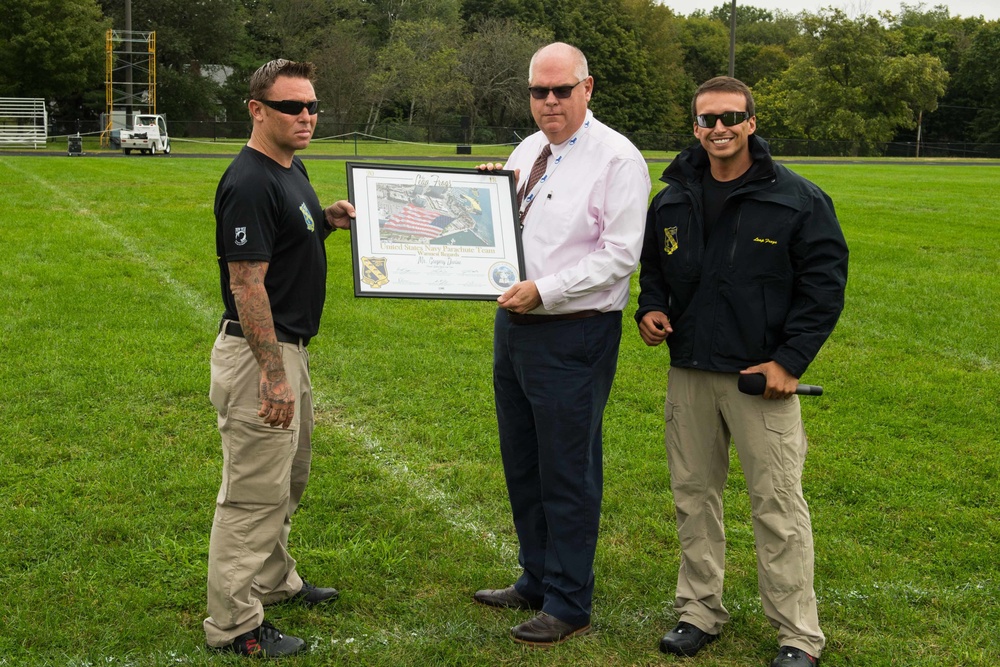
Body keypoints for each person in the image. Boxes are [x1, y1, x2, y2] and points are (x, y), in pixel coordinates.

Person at [635, 76, 848, 667]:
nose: (719, 129)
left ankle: (798, 636)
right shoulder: (673, 197)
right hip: (690, 372)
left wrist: (789, 361)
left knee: (776, 503)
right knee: (693, 496)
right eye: (707, 120)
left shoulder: (798, 199)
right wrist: (650, 308)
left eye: (732, 117)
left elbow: (823, 287)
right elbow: (654, 266)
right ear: (695, 127)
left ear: (752, 122)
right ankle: (699, 610)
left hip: (761, 378)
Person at [472, 42, 651, 646]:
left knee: (567, 470)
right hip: (516, 325)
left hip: (573, 330)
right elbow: (508, 221)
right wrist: (483, 198)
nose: (549, 102)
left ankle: (569, 600)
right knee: (523, 461)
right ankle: (535, 576)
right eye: (538, 92)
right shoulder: (529, 149)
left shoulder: (617, 159)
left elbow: (621, 254)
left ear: (587, 88)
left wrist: (545, 291)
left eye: (561, 90)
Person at [205, 58, 355, 659]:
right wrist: (271, 375)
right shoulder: (249, 181)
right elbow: (247, 285)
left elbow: (287, 237)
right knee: (251, 494)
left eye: (313, 106)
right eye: (293, 106)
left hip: (289, 350)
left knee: (286, 478)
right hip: (260, 356)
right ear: (257, 109)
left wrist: (324, 222)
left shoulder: (290, 169)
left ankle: (272, 579)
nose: (307, 116)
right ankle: (236, 624)